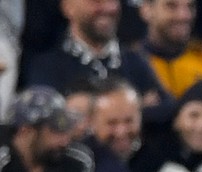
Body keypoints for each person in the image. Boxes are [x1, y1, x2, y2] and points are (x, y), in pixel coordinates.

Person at [25, 0, 169, 120]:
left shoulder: (135, 61)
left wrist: (86, 111)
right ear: (68, 7)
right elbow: (45, 120)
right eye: (96, 1)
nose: (107, 8)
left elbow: (169, 110)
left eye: (112, 0)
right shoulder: (47, 66)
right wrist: (137, 107)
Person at [137, 0, 202, 99]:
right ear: (146, 10)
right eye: (171, 6)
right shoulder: (130, 65)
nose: (184, 16)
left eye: (190, 6)